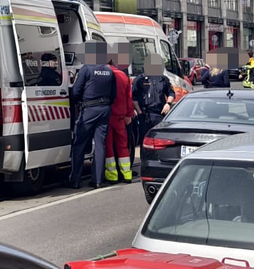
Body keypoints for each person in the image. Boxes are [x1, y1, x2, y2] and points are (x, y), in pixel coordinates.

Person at [67, 43, 115, 189]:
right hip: (105, 109)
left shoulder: (86, 69)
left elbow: (75, 91)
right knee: (100, 145)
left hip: (88, 110)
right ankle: (98, 180)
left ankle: (75, 180)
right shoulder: (108, 71)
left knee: (79, 144)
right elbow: (113, 94)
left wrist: (75, 103)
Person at [104, 47, 136, 183]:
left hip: (107, 116)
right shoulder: (123, 76)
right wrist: (129, 114)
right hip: (121, 117)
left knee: (108, 146)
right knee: (123, 145)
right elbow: (129, 98)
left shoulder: (104, 74)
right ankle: (127, 174)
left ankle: (112, 176)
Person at [132, 56, 175, 153]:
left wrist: (168, 104)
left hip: (159, 113)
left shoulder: (163, 79)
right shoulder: (139, 80)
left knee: (159, 140)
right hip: (145, 114)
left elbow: (171, 93)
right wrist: (139, 112)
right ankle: (145, 160)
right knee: (144, 140)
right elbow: (134, 97)